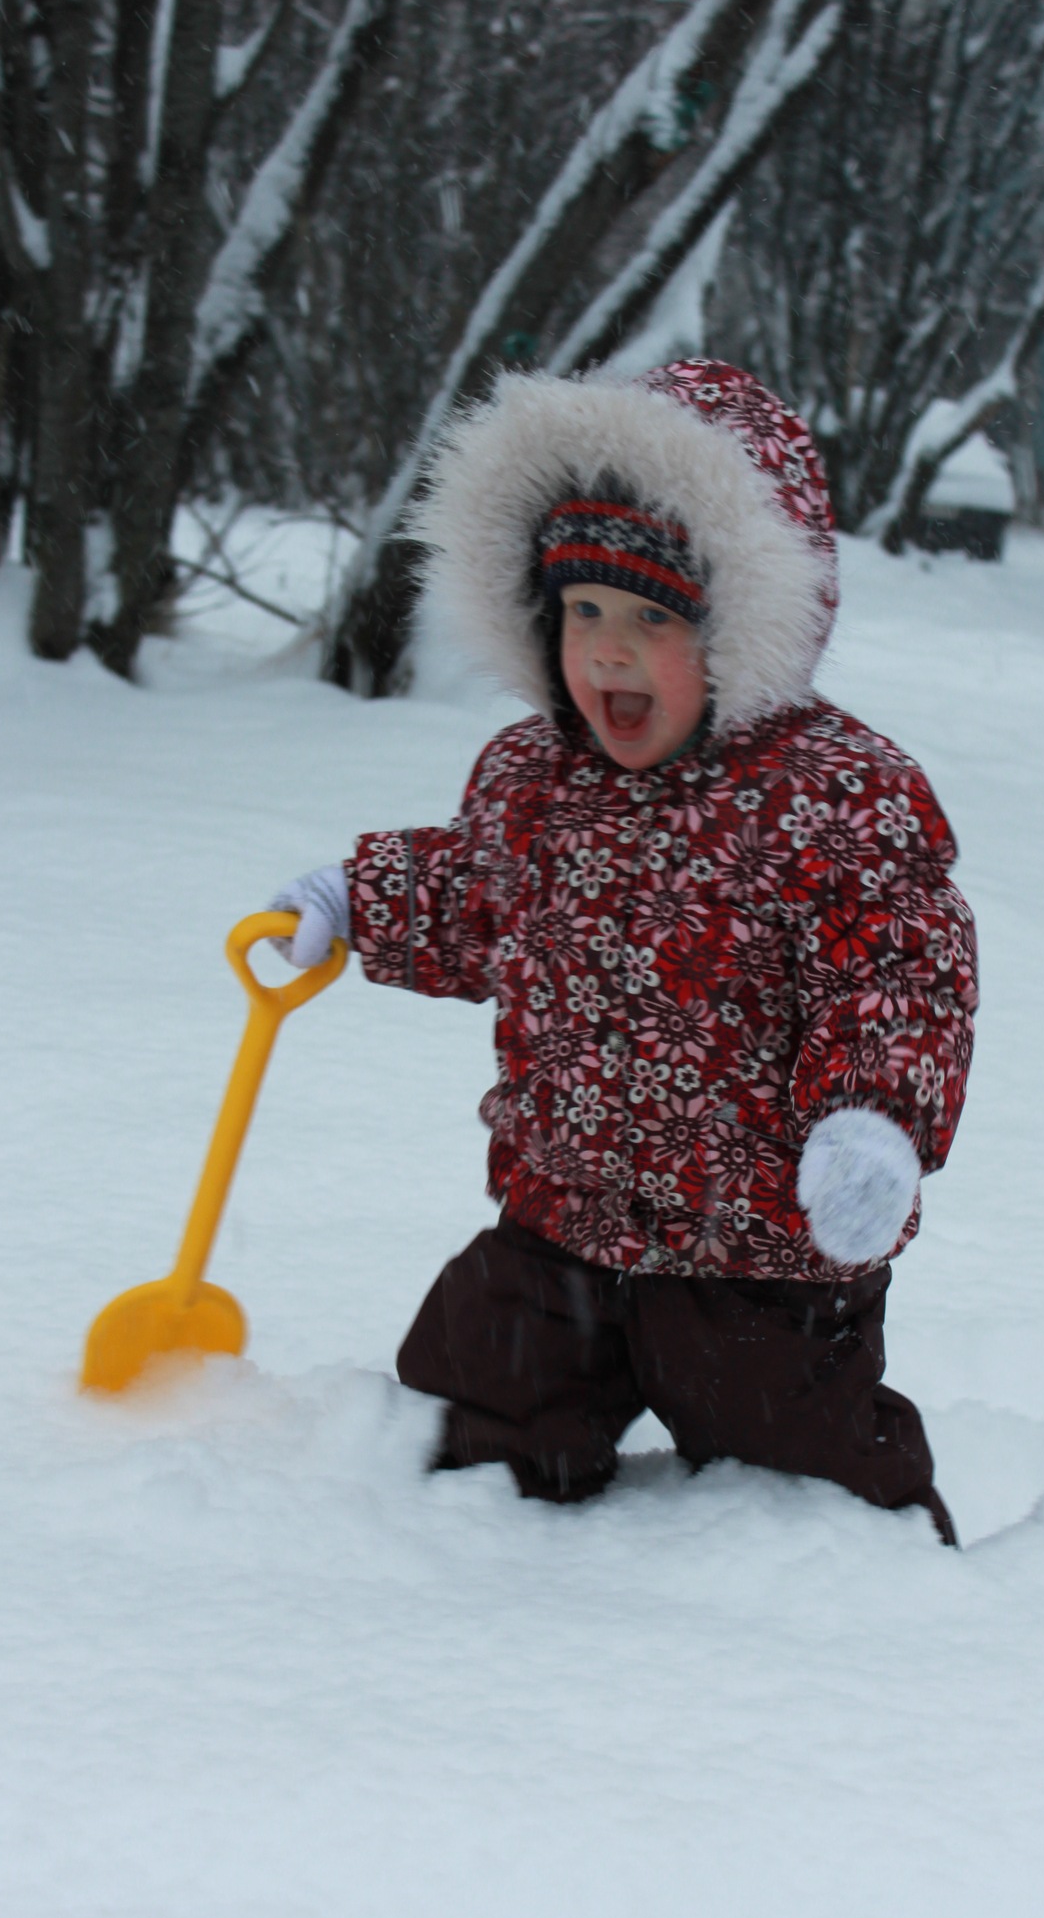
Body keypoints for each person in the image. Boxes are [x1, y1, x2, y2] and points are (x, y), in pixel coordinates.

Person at [271, 360, 978, 1543]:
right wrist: (358, 897)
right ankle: (464, 1549)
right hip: (562, 1216)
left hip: (758, 1247)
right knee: (466, 1403)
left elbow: (898, 976)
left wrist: (872, 1122)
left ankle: (883, 1577)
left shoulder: (836, 795)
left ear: (742, 629)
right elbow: (481, 897)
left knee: (802, 1469)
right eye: (584, 612)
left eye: (653, 618)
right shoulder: (533, 780)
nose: (607, 654)